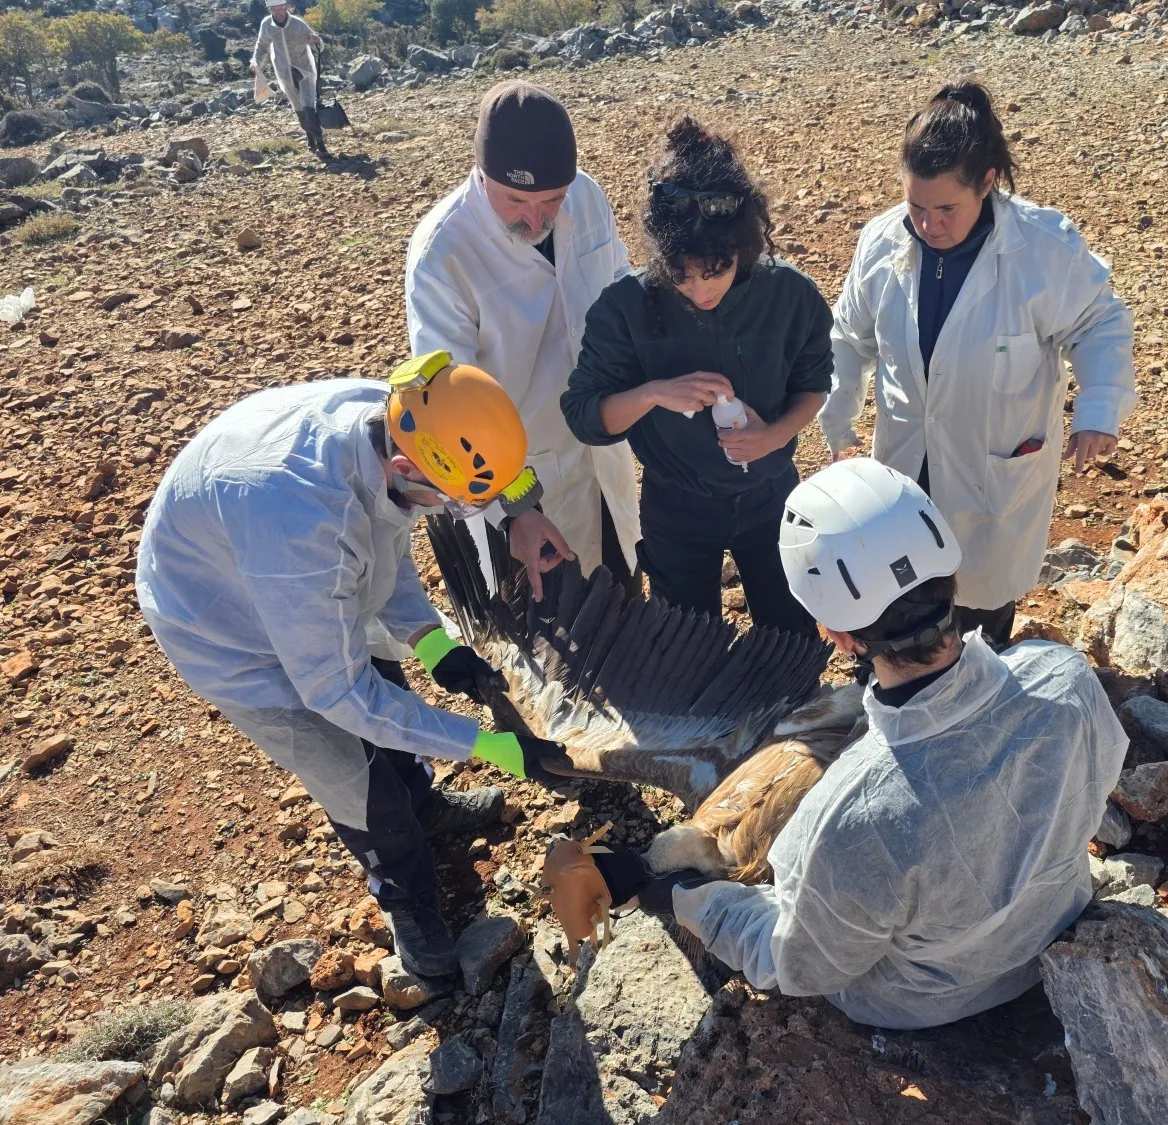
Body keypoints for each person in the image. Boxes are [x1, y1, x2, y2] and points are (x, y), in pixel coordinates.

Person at [596, 459, 1128, 1030]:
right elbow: (1096, 788)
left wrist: (687, 898)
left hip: (924, 998)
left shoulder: (855, 813)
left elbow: (798, 966)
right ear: (949, 573)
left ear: (836, 634)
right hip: (1052, 929)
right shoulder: (1064, 677)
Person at [136, 353, 567, 978]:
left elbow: (383, 546)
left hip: (269, 566)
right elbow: (338, 691)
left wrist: (433, 644)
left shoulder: (400, 417)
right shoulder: (303, 525)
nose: (444, 514)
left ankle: (424, 805)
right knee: (351, 770)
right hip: (227, 628)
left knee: (387, 705)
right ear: (402, 468)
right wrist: (488, 745)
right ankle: (407, 897)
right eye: (451, 504)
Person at [822, 81, 1137, 648]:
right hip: (906, 466)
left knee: (979, 618)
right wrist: (838, 424)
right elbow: (848, 338)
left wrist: (1097, 409)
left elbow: (1099, 322)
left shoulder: (1043, 247)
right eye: (916, 206)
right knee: (899, 608)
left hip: (993, 473)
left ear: (987, 184)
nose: (928, 224)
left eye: (947, 209)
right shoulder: (880, 242)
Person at [560, 116, 833, 634]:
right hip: (675, 508)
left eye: (719, 271)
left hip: (771, 497)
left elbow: (814, 382)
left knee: (791, 638)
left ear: (745, 246)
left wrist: (773, 436)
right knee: (684, 647)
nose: (701, 290)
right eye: (681, 276)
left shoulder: (790, 296)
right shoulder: (625, 308)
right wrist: (653, 393)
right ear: (660, 257)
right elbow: (584, 416)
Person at [406, 81, 641, 598]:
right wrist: (516, 513)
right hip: (519, 484)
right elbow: (445, 403)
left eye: (552, 200)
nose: (534, 220)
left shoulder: (587, 196)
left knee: (623, 605)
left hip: (601, 451)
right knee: (557, 651)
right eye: (516, 199)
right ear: (481, 173)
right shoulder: (443, 253)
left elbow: (621, 284)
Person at [250, 0, 326, 156]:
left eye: (281, 9)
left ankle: (320, 142)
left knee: (308, 105)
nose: (279, 13)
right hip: (284, 73)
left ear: (286, 7)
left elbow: (316, 43)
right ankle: (309, 135)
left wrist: (317, 41)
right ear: (270, 10)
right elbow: (262, 46)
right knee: (298, 107)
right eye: (275, 10)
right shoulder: (267, 24)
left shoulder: (298, 24)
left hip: (304, 71)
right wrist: (255, 62)